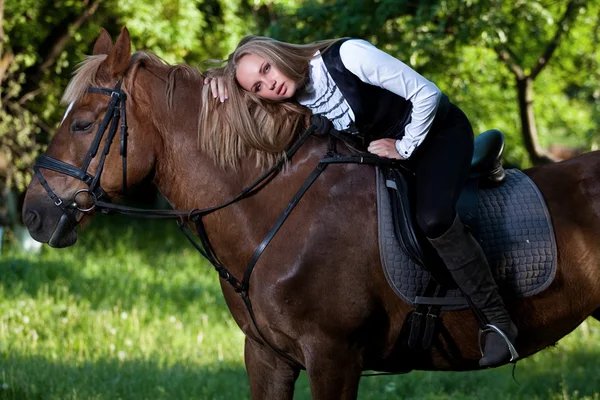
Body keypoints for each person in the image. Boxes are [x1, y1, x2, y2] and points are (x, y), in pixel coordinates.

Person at [203, 36, 518, 367]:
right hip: (388, 158)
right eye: (258, 85)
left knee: (433, 219)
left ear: (277, 54)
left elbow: (428, 94)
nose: (270, 83)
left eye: (267, 68)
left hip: (435, 134)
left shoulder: (347, 57)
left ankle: (498, 321)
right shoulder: (293, 99)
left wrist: (403, 147)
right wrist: (218, 81)